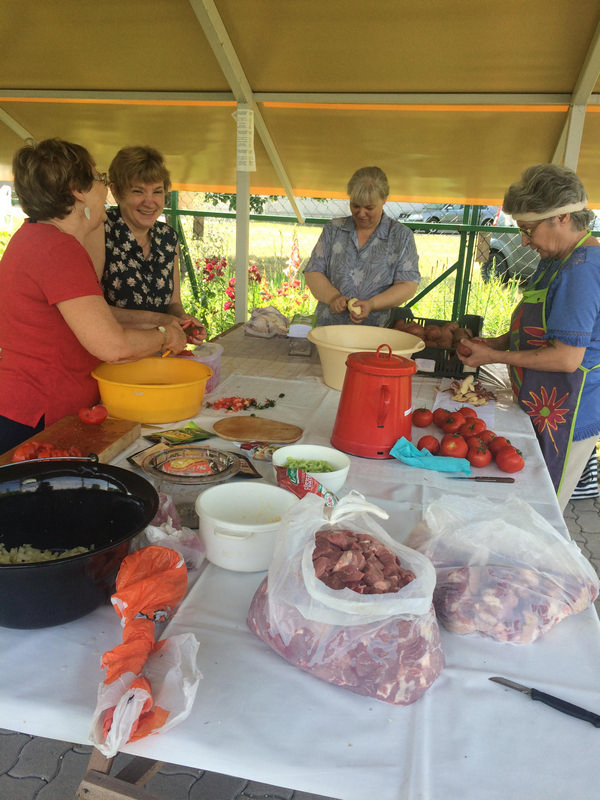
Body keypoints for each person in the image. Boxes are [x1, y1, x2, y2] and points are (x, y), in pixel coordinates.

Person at [0, 138, 188, 453]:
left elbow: (93, 318)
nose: (105, 190)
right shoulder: (58, 249)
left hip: (29, 407)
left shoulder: (36, 238)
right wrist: (165, 336)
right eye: (100, 180)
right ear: (78, 190)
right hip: (39, 414)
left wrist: (163, 323)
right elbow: (113, 346)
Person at [457, 163, 600, 510]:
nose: (524, 240)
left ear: (562, 218)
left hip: (568, 412)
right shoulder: (557, 259)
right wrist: (498, 342)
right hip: (544, 401)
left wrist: (495, 357)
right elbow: (541, 326)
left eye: (528, 229)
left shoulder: (581, 270)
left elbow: (566, 357)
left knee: (539, 511)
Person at [87, 145, 206, 342]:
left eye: (157, 192)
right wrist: (161, 321)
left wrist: (183, 322)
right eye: (138, 191)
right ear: (116, 192)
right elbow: (91, 308)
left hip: (160, 348)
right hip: (114, 350)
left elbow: (174, 304)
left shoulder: (168, 238)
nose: (150, 202)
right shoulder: (100, 230)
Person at [303, 166, 420, 327]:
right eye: (356, 206)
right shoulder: (334, 229)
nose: (361, 213)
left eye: (369, 208)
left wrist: (372, 304)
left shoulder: (401, 236)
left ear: (384, 199)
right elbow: (313, 272)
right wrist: (333, 298)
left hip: (374, 331)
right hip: (329, 327)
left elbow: (407, 285)